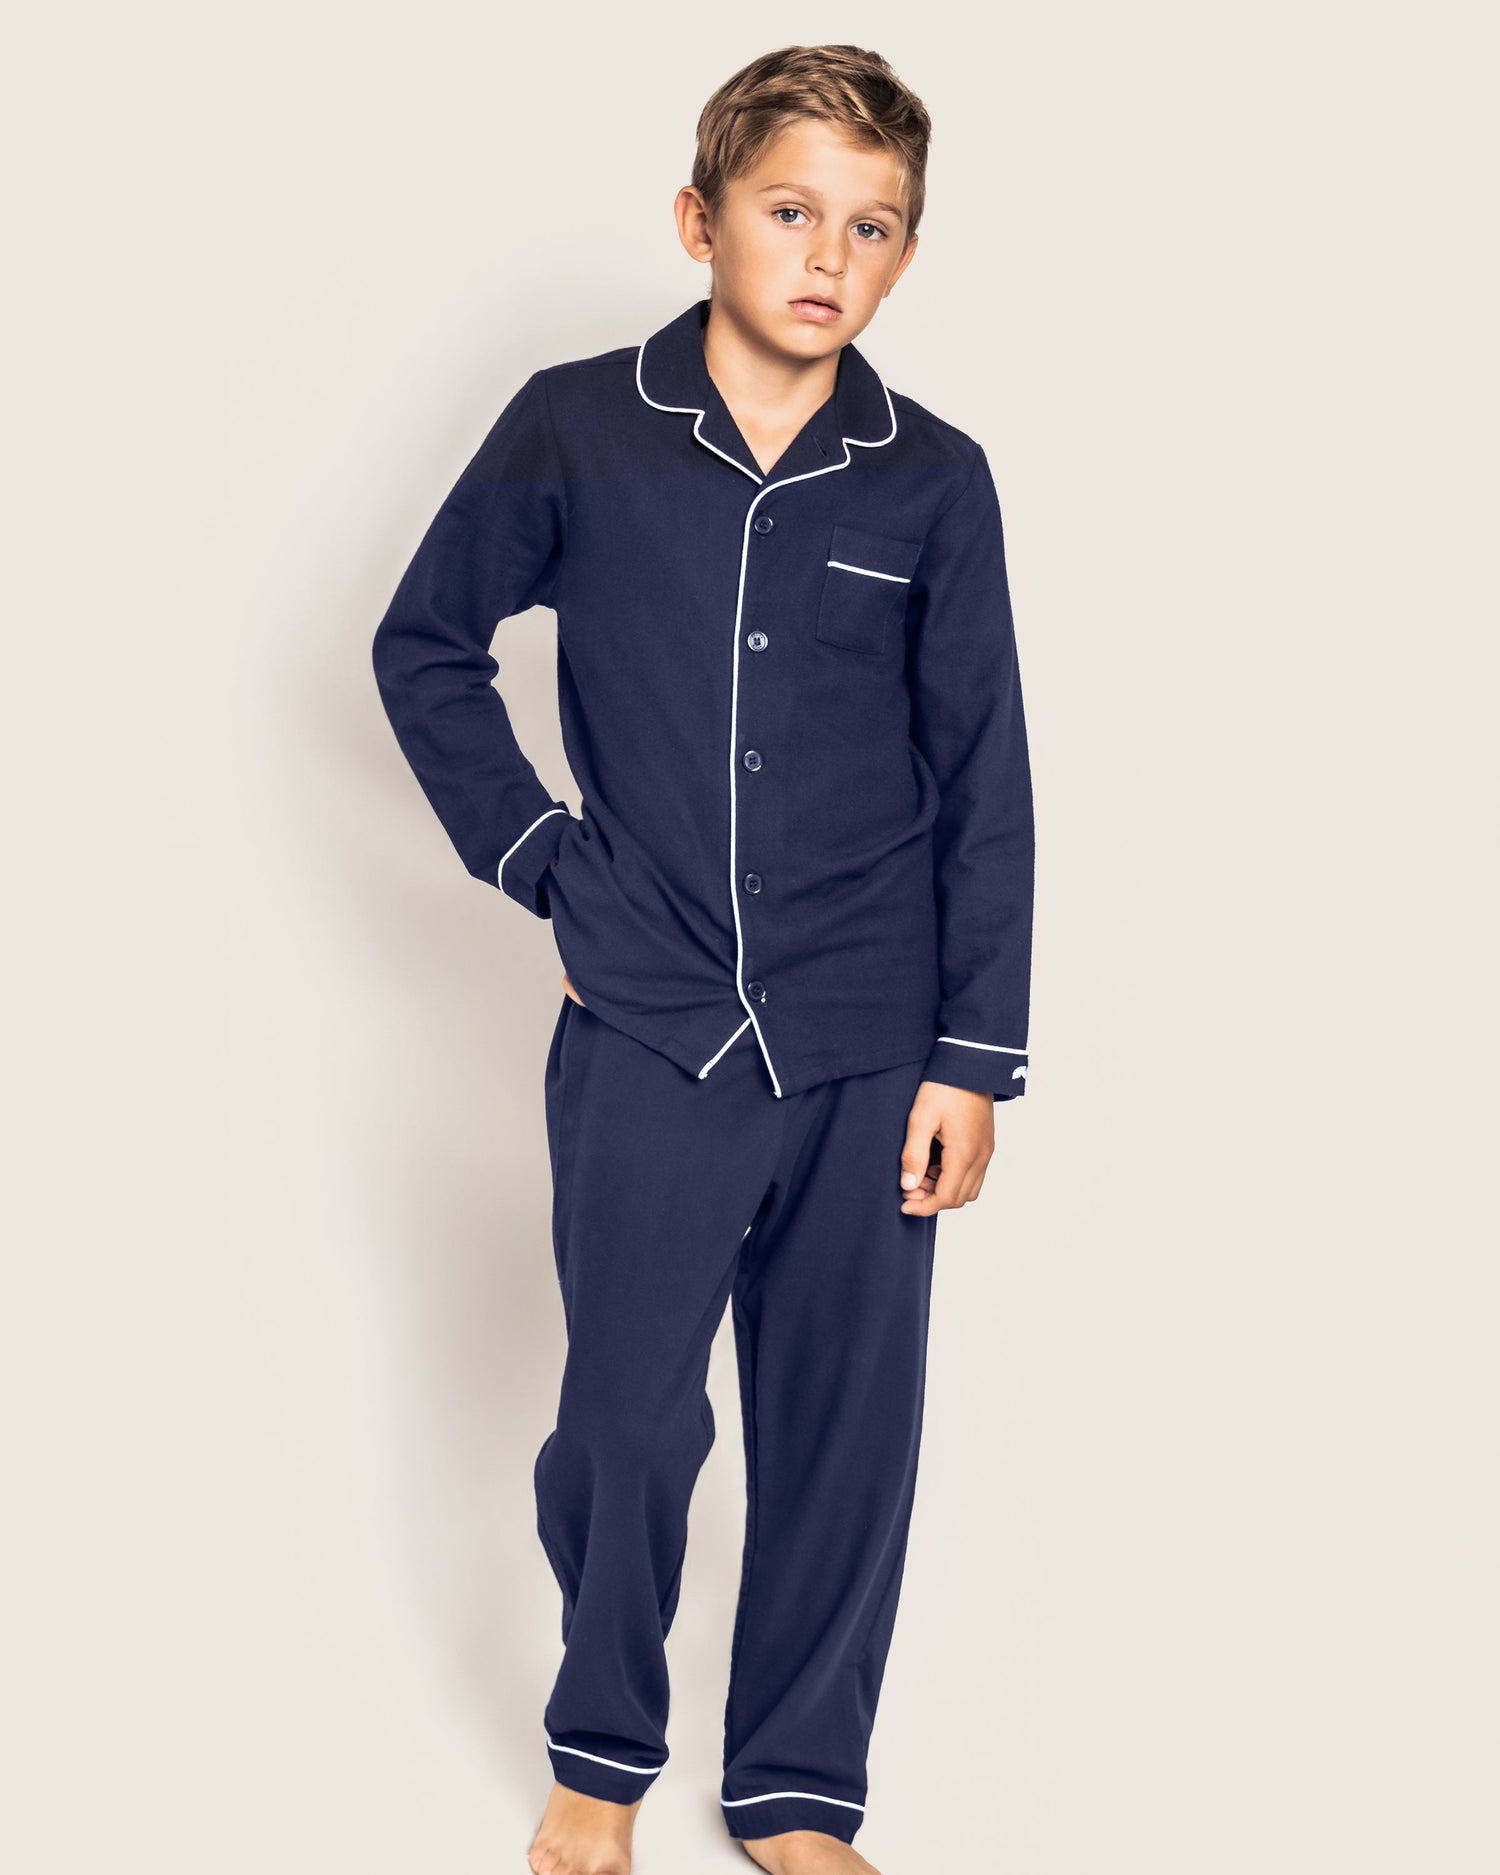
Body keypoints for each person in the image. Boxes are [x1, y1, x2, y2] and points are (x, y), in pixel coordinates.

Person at [371, 41, 1035, 1875]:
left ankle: (799, 1794)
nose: (829, 254)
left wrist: (973, 1058)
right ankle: (601, 1754)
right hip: (649, 1020)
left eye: (872, 226)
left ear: (907, 256)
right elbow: (424, 648)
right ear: (700, 220)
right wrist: (541, 863)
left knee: (844, 1430)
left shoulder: (936, 483)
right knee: (624, 1422)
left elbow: (985, 781)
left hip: (871, 1033)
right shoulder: (575, 427)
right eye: (790, 210)